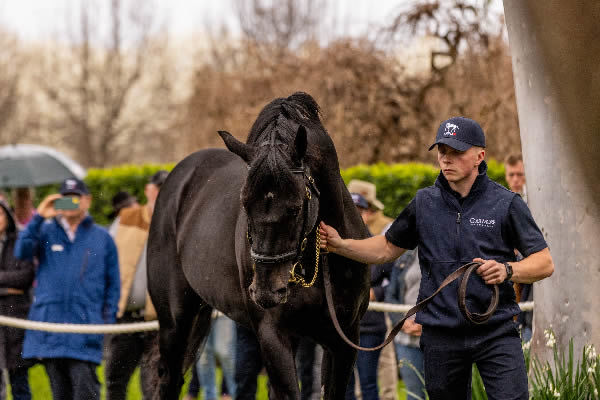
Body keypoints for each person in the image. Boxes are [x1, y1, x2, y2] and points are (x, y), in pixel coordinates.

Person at [319, 116, 554, 400]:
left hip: (496, 331)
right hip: (441, 334)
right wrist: (340, 244)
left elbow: (544, 262)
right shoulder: (423, 203)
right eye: (442, 151)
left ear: (480, 156)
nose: (446, 159)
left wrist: (508, 270)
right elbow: (385, 248)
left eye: (456, 151)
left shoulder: (507, 204)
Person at [15, 178, 120, 399]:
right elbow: (21, 251)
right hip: (52, 330)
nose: (70, 203)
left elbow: (113, 287)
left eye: (75, 198)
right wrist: (39, 217)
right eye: (65, 199)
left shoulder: (102, 238)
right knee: (59, 393)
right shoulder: (45, 231)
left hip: (86, 331)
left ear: (87, 201)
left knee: (85, 392)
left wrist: (104, 324)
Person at [104, 170, 168, 400]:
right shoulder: (126, 217)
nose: (161, 192)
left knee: (153, 386)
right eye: (158, 187)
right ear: (148, 190)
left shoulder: (177, 223)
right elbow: (104, 257)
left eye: (166, 187)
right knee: (114, 382)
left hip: (158, 322)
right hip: (125, 318)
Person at [347, 179, 398, 400]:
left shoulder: (378, 243)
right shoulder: (332, 243)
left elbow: (390, 280)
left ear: (367, 213)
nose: (357, 215)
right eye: (352, 210)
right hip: (341, 324)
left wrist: (372, 293)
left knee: (368, 384)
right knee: (343, 385)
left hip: (370, 325)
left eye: (360, 211)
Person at [0, 201, 35, 400]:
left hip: (16, 321)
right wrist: (9, 287)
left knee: (19, 381)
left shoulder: (20, 242)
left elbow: (25, 276)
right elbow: (15, 279)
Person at [385, 249, 425, 400]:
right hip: (406, 338)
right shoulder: (406, 255)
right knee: (414, 395)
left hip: (436, 335)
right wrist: (401, 322)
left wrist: (426, 322)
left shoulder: (445, 253)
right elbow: (391, 295)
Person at [504, 153, 533, 342]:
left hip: (531, 281)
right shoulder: (502, 203)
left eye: (520, 174)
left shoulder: (534, 203)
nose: (515, 180)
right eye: (511, 175)